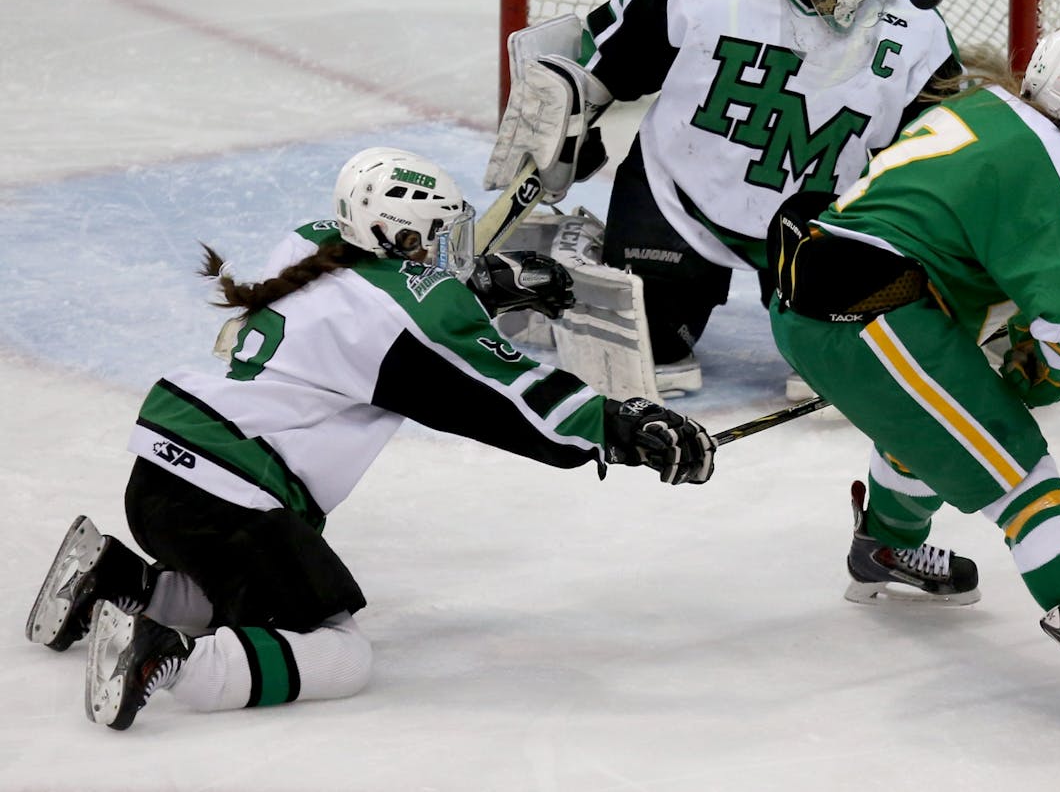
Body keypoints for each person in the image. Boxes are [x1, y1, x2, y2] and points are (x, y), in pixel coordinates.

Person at [25, 146, 716, 731]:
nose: (450, 251)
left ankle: (113, 579)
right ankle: (164, 654)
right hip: (230, 497)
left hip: (164, 479)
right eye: (439, 238)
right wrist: (616, 426)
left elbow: (383, 298)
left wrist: (472, 289)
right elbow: (506, 396)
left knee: (234, 591)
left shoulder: (311, 240)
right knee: (339, 652)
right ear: (405, 242)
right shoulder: (409, 320)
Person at [766, 21, 1060, 736]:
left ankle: (886, 546)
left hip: (807, 297)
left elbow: (949, 238)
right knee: (1023, 475)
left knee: (933, 422)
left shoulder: (971, 109)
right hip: (874, 320)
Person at [528, 0, 962, 395]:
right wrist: (569, 123)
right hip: (679, 199)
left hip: (815, 228)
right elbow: (610, 59)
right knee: (651, 348)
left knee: (836, 362)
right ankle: (586, 258)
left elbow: (945, 158)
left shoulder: (916, 28)